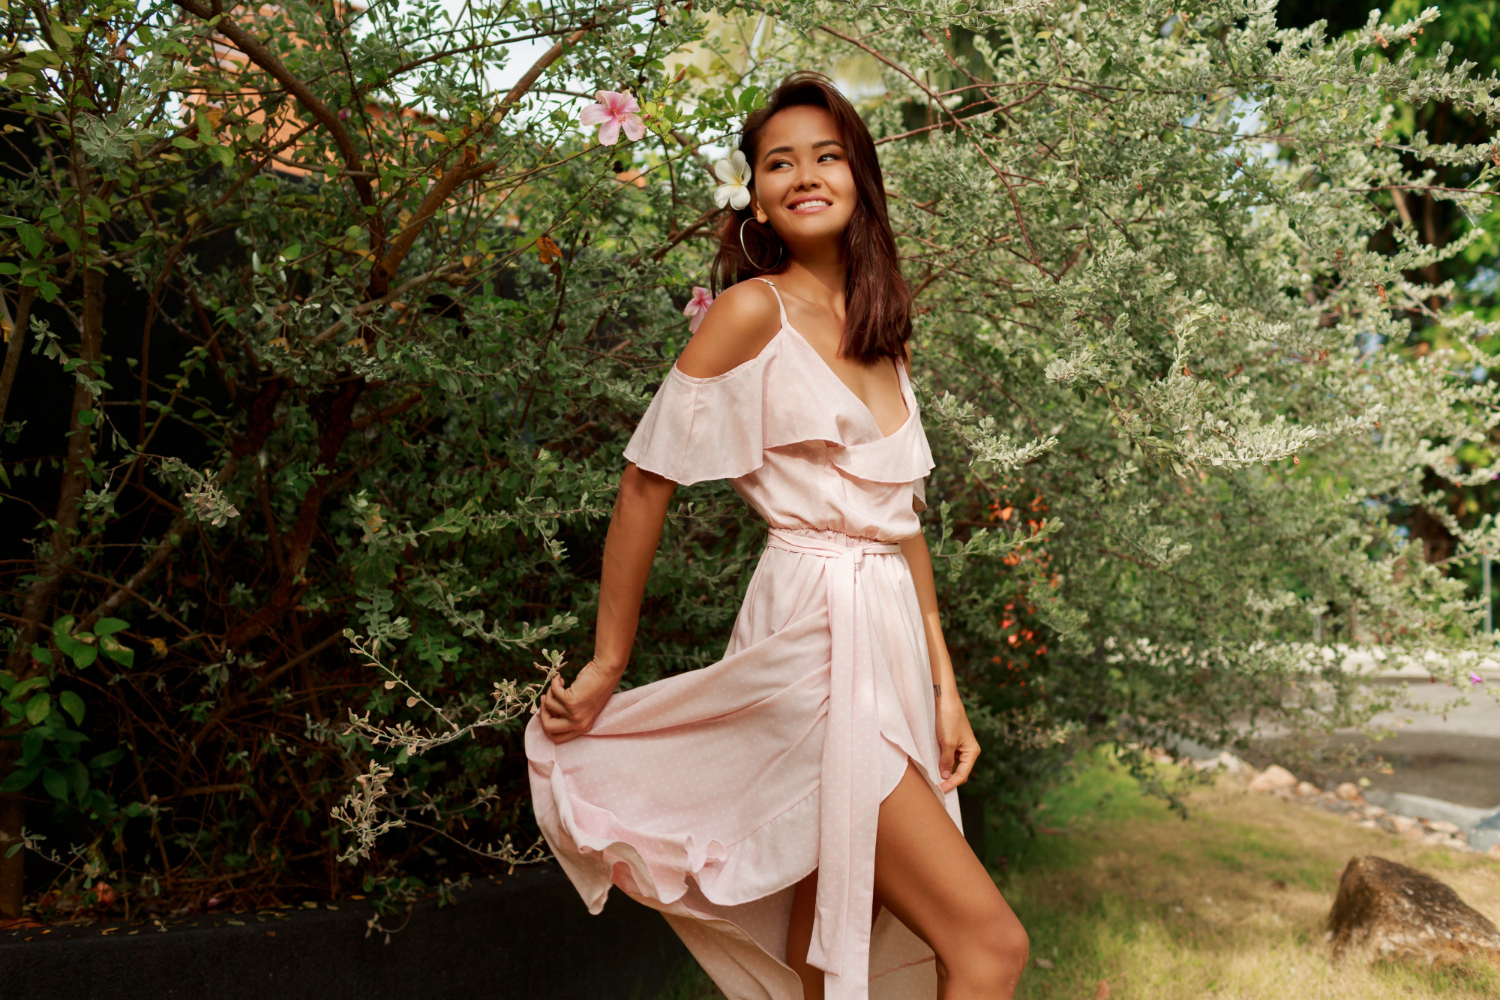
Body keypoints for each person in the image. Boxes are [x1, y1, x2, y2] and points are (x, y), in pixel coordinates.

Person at [526, 72, 1029, 1000]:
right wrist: (607, 662)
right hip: (814, 640)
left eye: (826, 155)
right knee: (989, 946)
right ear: (755, 193)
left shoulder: (885, 333)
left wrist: (944, 686)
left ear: (859, 177)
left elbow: (900, 521)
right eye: (777, 161)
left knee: (824, 944)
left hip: (888, 648)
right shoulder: (753, 312)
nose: (804, 174)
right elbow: (646, 479)